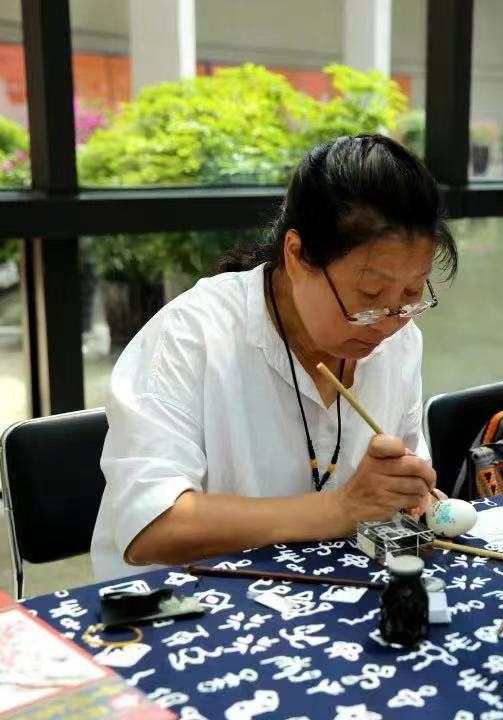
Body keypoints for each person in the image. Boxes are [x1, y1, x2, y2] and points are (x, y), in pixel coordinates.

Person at [90, 134, 456, 581]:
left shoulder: (400, 339)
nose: (387, 322)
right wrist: (338, 509)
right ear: (297, 254)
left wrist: (410, 493)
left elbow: (397, 482)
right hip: (185, 608)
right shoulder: (191, 337)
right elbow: (151, 527)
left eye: (412, 293)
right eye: (370, 294)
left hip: (323, 594)